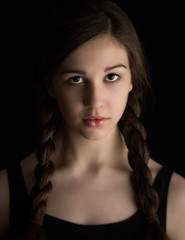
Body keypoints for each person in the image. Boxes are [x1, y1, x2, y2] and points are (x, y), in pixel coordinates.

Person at [0, 0, 185, 239]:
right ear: (50, 85)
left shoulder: (177, 197)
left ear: (132, 80)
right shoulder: (5, 193)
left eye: (111, 76)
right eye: (76, 79)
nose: (95, 101)